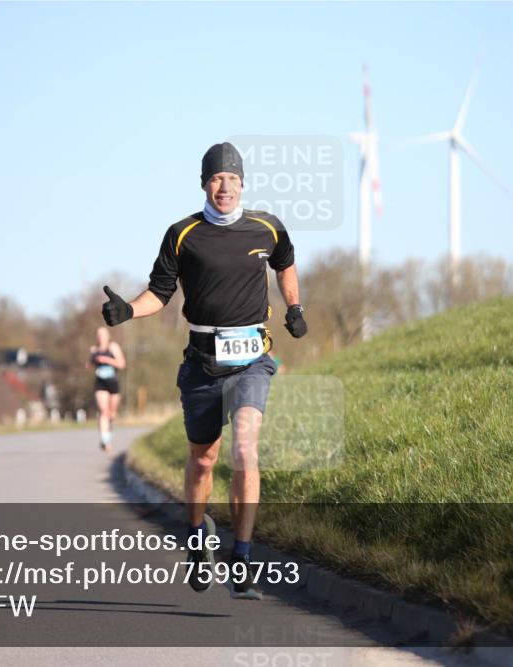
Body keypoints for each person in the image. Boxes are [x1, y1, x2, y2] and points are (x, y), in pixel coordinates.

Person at [102, 142, 308, 600]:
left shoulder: (267, 228)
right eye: (217, 179)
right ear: (204, 183)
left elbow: (286, 264)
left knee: (246, 449)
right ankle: (198, 540)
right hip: (201, 363)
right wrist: (126, 312)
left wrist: (294, 306)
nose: (225, 187)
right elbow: (159, 293)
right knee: (203, 460)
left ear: (242, 184)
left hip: (253, 358)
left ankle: (242, 557)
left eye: (232, 179)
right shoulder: (182, 234)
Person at [86, 326, 126, 451]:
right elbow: (88, 365)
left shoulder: (113, 347)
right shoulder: (94, 349)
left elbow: (122, 364)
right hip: (100, 382)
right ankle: (104, 440)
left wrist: (107, 359)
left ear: (108, 335)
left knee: (112, 413)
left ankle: (108, 432)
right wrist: (91, 360)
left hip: (113, 382)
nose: (101, 337)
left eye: (103, 334)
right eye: (98, 335)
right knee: (103, 411)